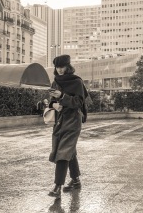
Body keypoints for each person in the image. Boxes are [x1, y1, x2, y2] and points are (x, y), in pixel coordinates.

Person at [48, 54, 88, 199]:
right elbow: (51, 102)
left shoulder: (77, 82)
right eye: (57, 67)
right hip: (59, 120)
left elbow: (79, 103)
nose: (59, 70)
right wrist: (54, 104)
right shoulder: (55, 81)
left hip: (73, 120)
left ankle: (57, 186)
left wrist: (62, 96)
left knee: (63, 152)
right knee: (69, 150)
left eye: (62, 67)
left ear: (68, 67)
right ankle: (76, 180)